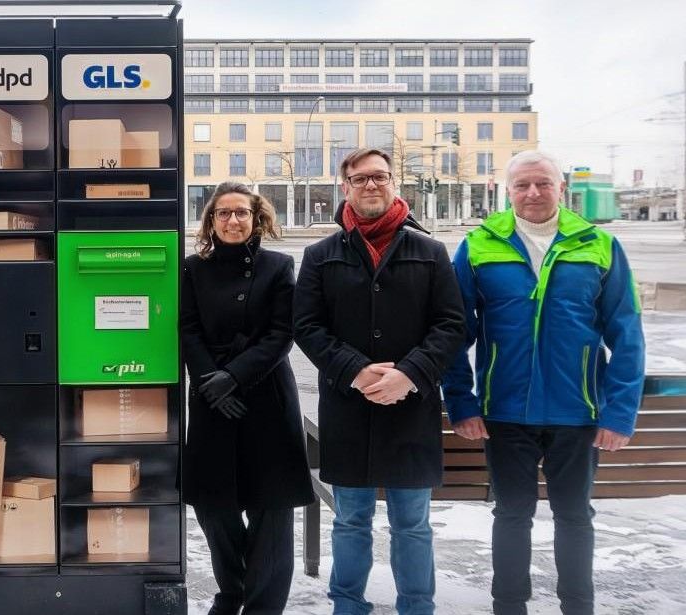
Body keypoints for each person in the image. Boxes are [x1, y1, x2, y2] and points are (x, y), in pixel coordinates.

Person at [443, 150, 645, 615]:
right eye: (522, 185)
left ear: (561, 188)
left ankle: (579, 607)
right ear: (506, 189)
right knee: (512, 516)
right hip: (504, 413)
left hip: (577, 414)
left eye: (543, 183)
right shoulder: (478, 245)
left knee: (575, 517)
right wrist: (462, 402)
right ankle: (508, 607)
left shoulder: (598, 245)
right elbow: (454, 332)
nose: (532, 193)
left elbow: (627, 334)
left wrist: (619, 413)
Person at [293, 148, 466, 615]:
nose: (371, 185)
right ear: (344, 186)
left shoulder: (428, 251)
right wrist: (354, 369)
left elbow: (451, 325)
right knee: (351, 520)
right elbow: (307, 326)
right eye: (360, 178)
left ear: (394, 184)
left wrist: (409, 373)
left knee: (413, 523)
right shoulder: (320, 255)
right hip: (348, 408)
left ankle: (417, 606)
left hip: (411, 407)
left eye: (380, 176)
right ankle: (347, 605)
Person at [180, 181, 315, 615]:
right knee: (213, 507)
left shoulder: (278, 266)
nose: (232, 220)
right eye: (223, 213)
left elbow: (281, 333)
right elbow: (187, 329)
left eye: (241, 213)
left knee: (270, 512)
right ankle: (232, 591)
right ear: (210, 220)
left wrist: (233, 377)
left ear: (257, 219)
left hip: (266, 399)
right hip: (210, 400)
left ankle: (262, 605)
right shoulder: (192, 269)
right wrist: (209, 382)